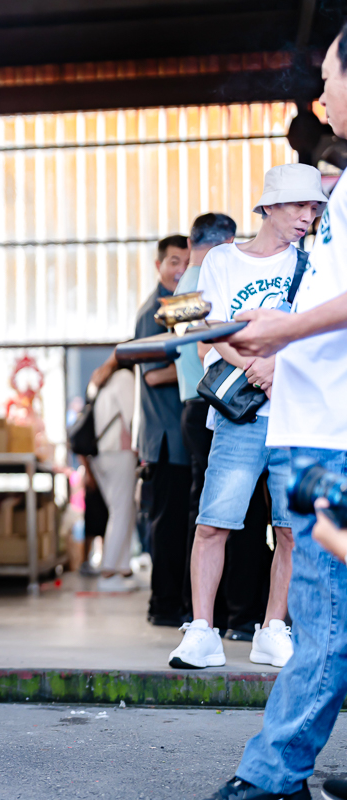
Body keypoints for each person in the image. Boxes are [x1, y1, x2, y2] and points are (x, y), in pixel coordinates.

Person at [204, 26, 347, 800]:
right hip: (307, 429)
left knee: (323, 622)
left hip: (327, 440)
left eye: (331, 79)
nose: (324, 97)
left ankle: (271, 775)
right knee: (327, 612)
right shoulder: (232, 257)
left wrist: (280, 332)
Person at [170, 168, 326, 673]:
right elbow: (212, 331)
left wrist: (278, 365)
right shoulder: (222, 259)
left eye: (315, 208)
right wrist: (257, 367)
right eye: (299, 206)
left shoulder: (316, 263)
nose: (308, 216)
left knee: (290, 529)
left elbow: (317, 334)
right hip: (243, 415)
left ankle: (273, 629)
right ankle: (201, 631)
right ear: (270, 207)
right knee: (215, 520)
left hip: (297, 412)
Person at [175, 213, 274, 642]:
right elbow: (204, 343)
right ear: (227, 239)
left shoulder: (181, 289)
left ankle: (201, 615)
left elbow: (183, 332)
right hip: (229, 401)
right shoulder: (218, 273)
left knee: (206, 518)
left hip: (204, 404)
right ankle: (238, 616)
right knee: (239, 521)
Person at [135, 234, 193, 627]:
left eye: (188, 261)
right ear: (159, 266)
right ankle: (164, 606)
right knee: (168, 528)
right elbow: (153, 375)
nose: (182, 269)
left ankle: (178, 604)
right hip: (166, 439)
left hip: (184, 438)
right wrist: (196, 368)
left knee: (181, 527)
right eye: (174, 261)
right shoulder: (156, 310)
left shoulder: (184, 306)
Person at [83, 354, 138, 591]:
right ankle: (108, 573)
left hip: (100, 453)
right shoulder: (125, 377)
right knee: (121, 511)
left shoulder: (101, 379)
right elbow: (131, 418)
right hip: (119, 450)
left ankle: (123, 569)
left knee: (123, 509)